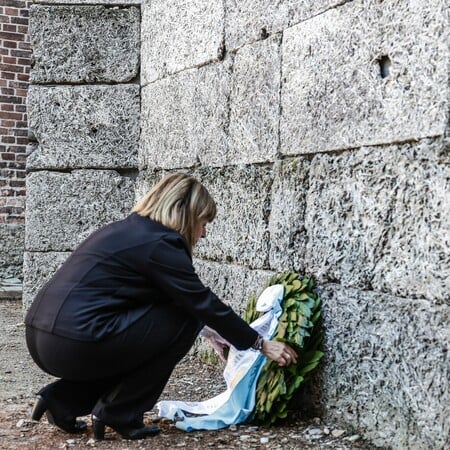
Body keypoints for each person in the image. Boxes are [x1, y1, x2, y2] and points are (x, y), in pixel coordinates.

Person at [25, 173, 298, 440]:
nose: (203, 234)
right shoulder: (161, 243)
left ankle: (62, 401)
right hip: (77, 341)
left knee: (178, 324)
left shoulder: (129, 231)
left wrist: (209, 332)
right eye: (203, 222)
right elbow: (200, 302)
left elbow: (159, 303)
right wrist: (259, 343)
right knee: (187, 318)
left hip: (43, 336)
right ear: (185, 214)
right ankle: (119, 412)